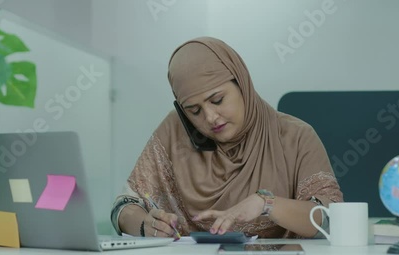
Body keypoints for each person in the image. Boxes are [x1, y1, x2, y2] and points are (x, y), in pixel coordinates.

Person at [110, 37, 343, 239]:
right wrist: (144, 225)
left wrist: (266, 204)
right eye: (194, 111)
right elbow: (124, 207)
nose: (210, 117)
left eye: (217, 100)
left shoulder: (295, 136)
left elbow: (330, 219)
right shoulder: (176, 132)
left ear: (242, 84)